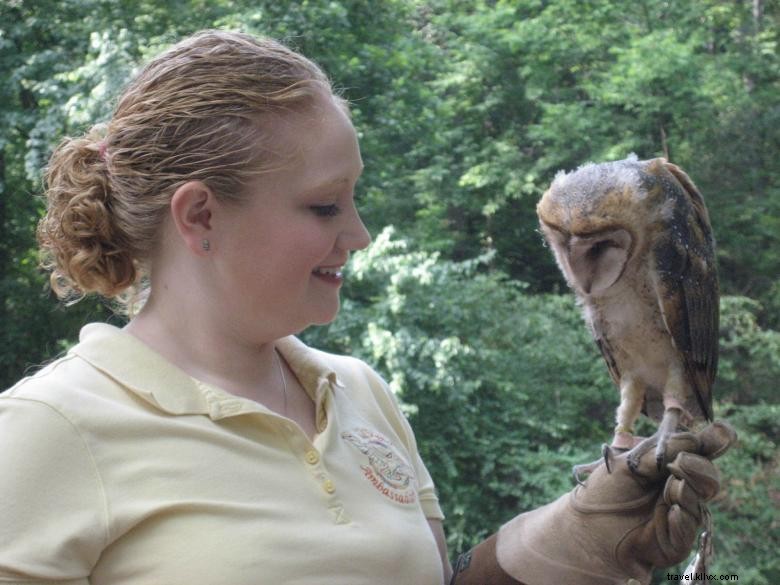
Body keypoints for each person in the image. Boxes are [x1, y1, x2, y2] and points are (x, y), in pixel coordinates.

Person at [0, 30, 734, 585]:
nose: (357, 234)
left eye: (353, 198)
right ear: (199, 218)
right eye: (324, 205)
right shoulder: (51, 429)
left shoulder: (358, 392)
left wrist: (579, 533)